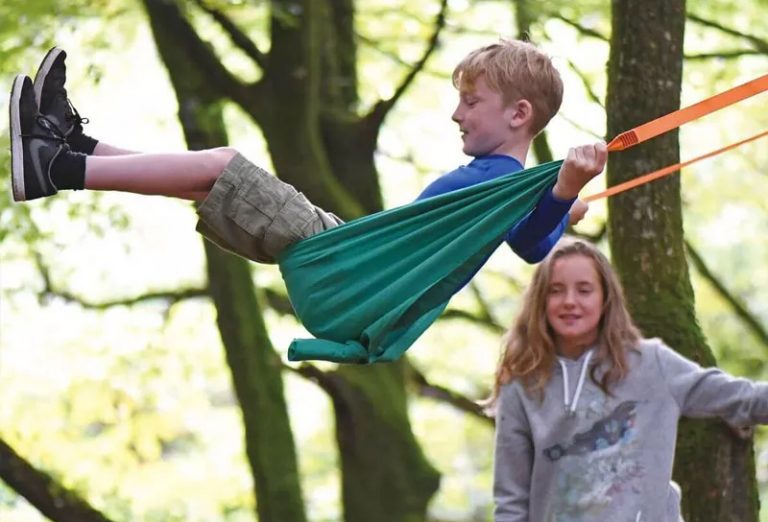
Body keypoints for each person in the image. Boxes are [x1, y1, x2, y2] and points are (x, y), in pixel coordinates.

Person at [10, 40, 601, 269]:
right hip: (352, 252)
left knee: (221, 166)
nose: (456, 114)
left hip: (350, 257)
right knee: (213, 181)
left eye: (471, 102)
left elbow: (525, 243)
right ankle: (76, 147)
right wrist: (559, 205)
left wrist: (561, 194)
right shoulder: (510, 187)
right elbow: (531, 242)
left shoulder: (499, 181)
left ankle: (57, 167)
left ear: (519, 114)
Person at [487, 238, 768, 521]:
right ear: (540, 301)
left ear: (605, 298)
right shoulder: (521, 384)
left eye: (584, 290)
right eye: (556, 291)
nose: (570, 301)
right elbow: (511, 500)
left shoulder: (652, 364)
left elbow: (743, 399)